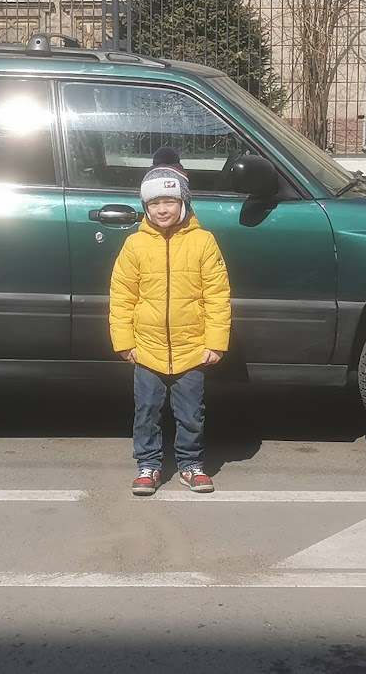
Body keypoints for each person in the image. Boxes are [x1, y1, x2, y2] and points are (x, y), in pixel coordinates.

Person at [109, 147, 232, 495]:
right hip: (146, 350)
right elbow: (122, 297)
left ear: (184, 203)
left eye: (170, 201)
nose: (162, 209)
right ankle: (148, 465)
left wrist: (215, 342)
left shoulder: (204, 242)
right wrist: (125, 343)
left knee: (191, 413)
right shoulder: (134, 246)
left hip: (192, 350)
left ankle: (191, 465)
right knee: (146, 411)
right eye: (154, 203)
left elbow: (217, 295)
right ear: (145, 208)